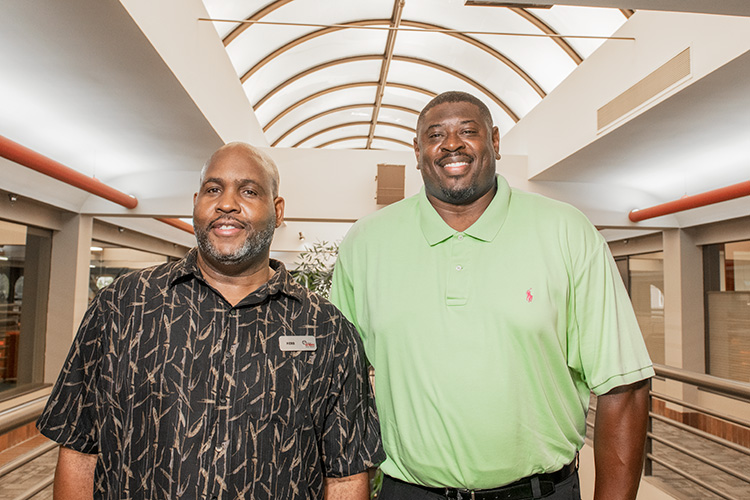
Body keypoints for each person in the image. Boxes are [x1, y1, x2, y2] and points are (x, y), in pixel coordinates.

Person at [331, 91, 654, 500]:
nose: (451, 144)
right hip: (408, 492)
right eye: (435, 135)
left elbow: (624, 385)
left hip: (540, 492)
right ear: (417, 151)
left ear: (495, 142)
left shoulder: (567, 231)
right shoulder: (367, 242)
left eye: (468, 131)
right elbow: (337, 385)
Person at [38, 142, 384, 500]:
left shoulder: (326, 329)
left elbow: (344, 476)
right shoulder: (124, 306)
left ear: (278, 211)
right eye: (213, 189)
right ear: (195, 203)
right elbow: (80, 449)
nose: (227, 204)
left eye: (248, 191)